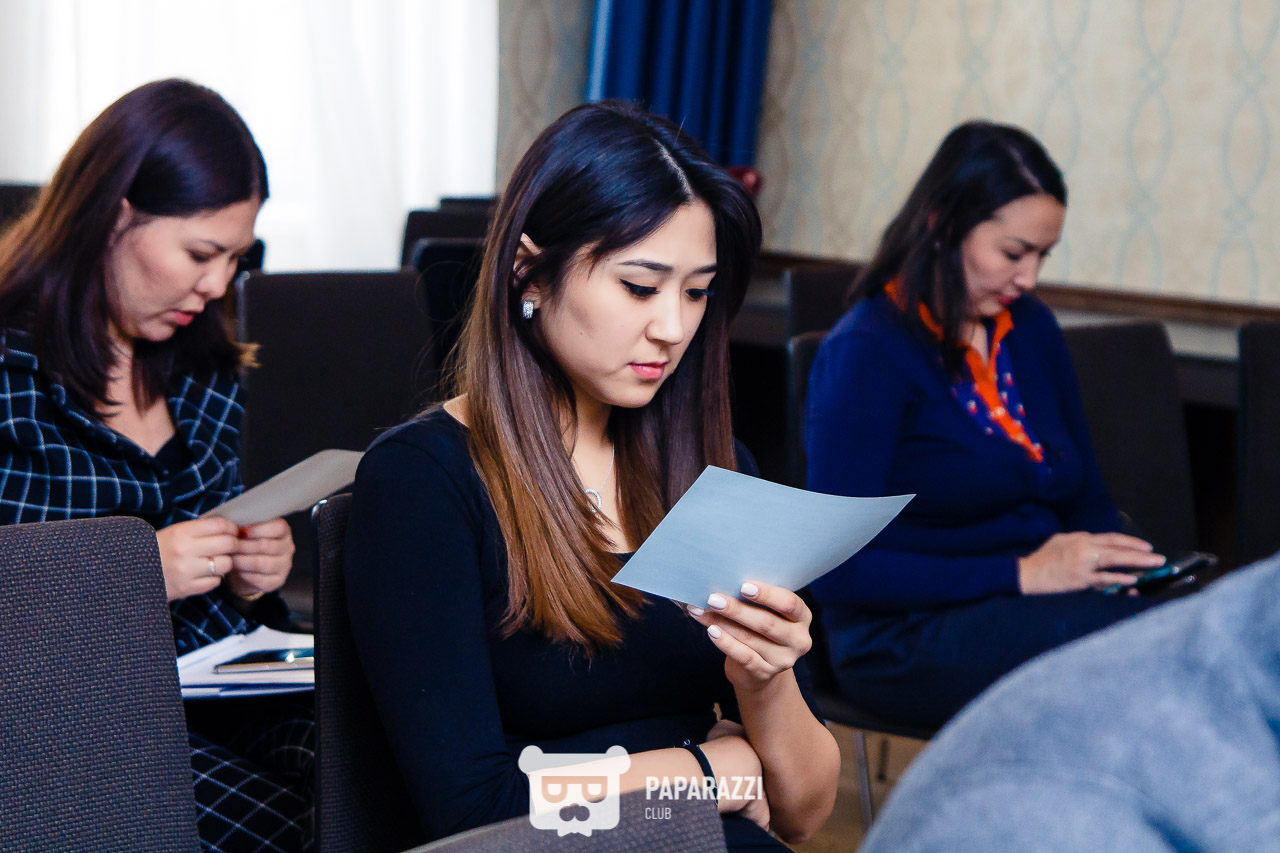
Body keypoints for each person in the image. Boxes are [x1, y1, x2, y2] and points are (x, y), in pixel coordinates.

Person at [345, 100, 839, 850]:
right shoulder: (424, 480)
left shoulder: (712, 468)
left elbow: (801, 812)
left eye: (697, 291)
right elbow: (475, 814)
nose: (673, 327)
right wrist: (711, 770)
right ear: (528, 272)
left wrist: (764, 682)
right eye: (639, 287)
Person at [0, 79, 311, 852]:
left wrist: (252, 572)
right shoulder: (11, 377)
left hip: (225, 680)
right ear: (113, 215)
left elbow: (226, 556)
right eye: (201, 254)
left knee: (372, 781)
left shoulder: (203, 367)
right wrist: (131, 575)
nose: (217, 286)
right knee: (284, 832)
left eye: (235, 259)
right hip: (79, 716)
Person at [804, 120, 1170, 730]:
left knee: (1200, 623)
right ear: (941, 225)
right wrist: (1022, 573)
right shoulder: (868, 352)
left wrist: (1121, 569)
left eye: (1042, 256)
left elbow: (1085, 496)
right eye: (1014, 254)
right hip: (902, 635)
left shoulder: (1030, 328)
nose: (1029, 279)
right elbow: (838, 571)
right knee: (1142, 654)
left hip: (1028, 599)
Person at [860, 553, 1280, 852]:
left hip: (1046, 593)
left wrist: (1119, 570)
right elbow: (849, 572)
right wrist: (1022, 570)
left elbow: (1094, 511)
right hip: (919, 625)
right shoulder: (1029, 811)